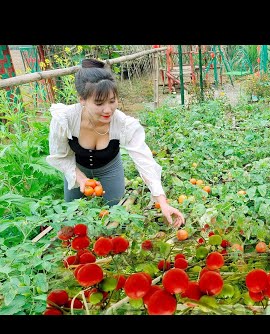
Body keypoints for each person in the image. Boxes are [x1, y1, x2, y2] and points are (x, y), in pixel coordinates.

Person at [46, 58, 185, 228]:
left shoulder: (123, 124)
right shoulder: (65, 119)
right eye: (99, 103)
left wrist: (162, 201)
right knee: (71, 218)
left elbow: (144, 161)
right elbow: (60, 156)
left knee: (116, 215)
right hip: (78, 167)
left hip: (110, 167)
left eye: (112, 101)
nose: (107, 110)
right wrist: (80, 179)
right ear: (82, 99)